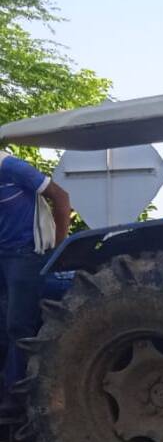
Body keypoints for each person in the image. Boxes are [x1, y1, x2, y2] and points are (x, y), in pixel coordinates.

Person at [0, 151, 71, 415]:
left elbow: (61, 198)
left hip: (25, 254)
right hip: (2, 257)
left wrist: (59, 250)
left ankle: (17, 396)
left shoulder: (12, 168)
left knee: (18, 324)